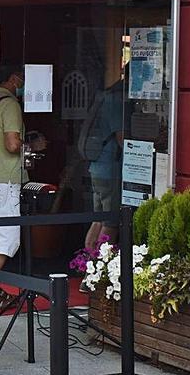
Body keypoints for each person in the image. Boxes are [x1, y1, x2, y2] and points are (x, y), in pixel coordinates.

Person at [0, 62, 43, 309]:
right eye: (23, 78)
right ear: (15, 78)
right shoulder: (11, 105)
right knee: (7, 236)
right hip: (5, 178)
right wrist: (33, 146)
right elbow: (12, 144)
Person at [81, 76, 124, 250]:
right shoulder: (118, 99)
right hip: (110, 169)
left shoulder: (105, 95)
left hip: (96, 167)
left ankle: (87, 263)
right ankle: (101, 267)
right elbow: (121, 138)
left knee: (97, 219)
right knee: (111, 222)